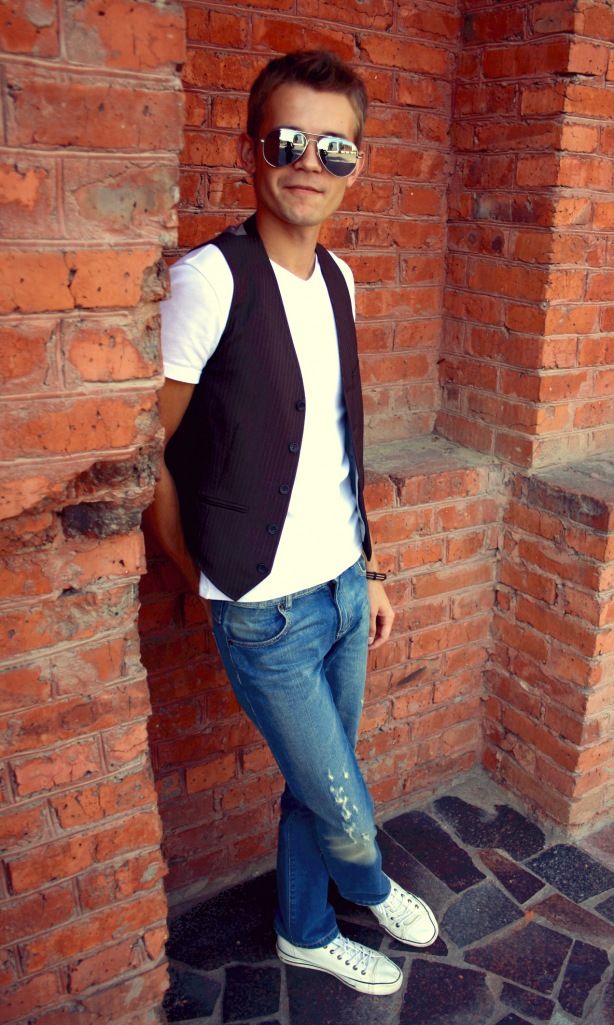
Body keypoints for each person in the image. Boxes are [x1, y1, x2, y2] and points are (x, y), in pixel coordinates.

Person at [148, 49, 438, 997]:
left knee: (320, 779)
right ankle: (368, 883)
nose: (310, 162)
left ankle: (305, 929)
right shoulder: (209, 280)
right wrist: (194, 568)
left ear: (355, 163)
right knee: (338, 795)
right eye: (288, 141)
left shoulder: (341, 279)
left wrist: (371, 568)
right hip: (265, 606)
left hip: (344, 585)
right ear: (250, 151)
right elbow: (147, 449)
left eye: (335, 147)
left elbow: (341, 443)